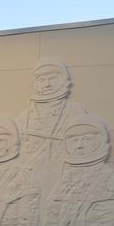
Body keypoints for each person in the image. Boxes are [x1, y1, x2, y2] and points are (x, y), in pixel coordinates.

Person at [16, 58, 85, 190]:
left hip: (64, 170)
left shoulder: (74, 110)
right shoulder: (25, 116)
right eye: (42, 80)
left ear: (63, 80)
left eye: (52, 79)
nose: (47, 84)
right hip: (33, 172)